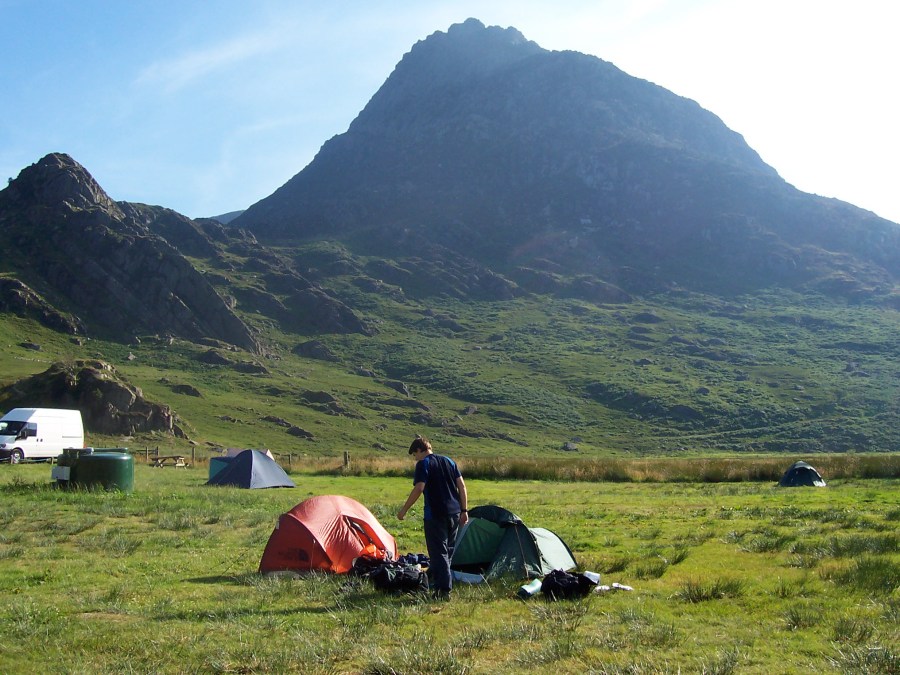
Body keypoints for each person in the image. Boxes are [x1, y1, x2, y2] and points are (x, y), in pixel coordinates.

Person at [397, 436, 468, 599]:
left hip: (435, 514)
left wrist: (404, 510)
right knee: (448, 551)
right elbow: (462, 486)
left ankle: (444, 591)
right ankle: (434, 581)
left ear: (419, 450)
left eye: (415, 455)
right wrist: (464, 510)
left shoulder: (424, 464)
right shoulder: (449, 461)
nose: (415, 459)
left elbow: (419, 488)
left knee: (438, 552)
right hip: (455, 513)